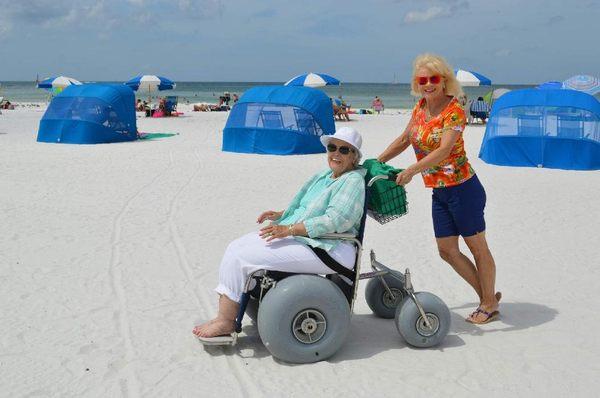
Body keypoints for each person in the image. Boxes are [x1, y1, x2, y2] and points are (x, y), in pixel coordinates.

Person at [193, 127, 366, 341]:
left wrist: (289, 229)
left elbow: (336, 220)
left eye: (344, 150)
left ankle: (226, 321)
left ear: (354, 157)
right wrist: (282, 215)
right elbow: (307, 207)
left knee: (241, 257)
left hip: (332, 248)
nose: (336, 153)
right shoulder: (325, 176)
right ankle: (225, 315)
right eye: (332, 147)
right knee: (235, 246)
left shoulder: (352, 181)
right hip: (313, 239)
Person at [377, 53, 500, 324]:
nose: (428, 84)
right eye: (423, 80)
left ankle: (488, 303)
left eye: (433, 79)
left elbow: (444, 150)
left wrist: (410, 171)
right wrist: (378, 160)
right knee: (446, 250)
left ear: (444, 81)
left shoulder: (453, 109)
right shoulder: (420, 107)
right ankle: (487, 296)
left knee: (478, 247)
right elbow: (405, 139)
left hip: (463, 189)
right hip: (440, 191)